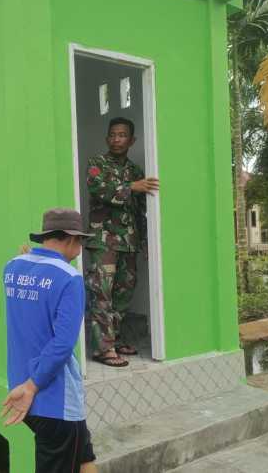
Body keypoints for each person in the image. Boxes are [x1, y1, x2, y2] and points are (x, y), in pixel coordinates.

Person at [1, 208, 97, 473]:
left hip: (21, 388)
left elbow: (31, 302)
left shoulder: (12, 267)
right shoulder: (70, 277)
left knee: (84, 456)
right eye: (80, 242)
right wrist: (33, 386)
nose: (79, 250)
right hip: (52, 397)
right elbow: (64, 343)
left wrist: (28, 386)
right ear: (70, 238)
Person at [85, 117, 159, 367]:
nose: (117, 139)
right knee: (101, 293)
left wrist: (147, 241)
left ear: (132, 140)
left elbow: (141, 211)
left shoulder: (136, 171)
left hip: (129, 242)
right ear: (107, 138)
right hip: (104, 242)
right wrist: (131, 187)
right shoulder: (97, 163)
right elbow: (99, 190)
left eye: (122, 135)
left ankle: (114, 339)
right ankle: (102, 349)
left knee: (123, 294)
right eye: (113, 135)